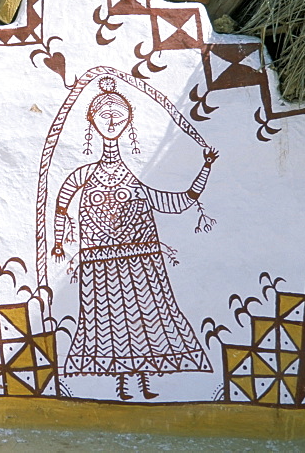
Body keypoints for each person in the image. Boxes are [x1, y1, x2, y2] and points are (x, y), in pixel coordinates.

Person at [51, 76, 216, 400]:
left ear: (128, 121)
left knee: (146, 320)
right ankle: (123, 384)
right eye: (104, 113)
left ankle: (141, 383)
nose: (111, 119)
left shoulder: (137, 182)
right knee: (108, 323)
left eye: (118, 114)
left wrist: (206, 167)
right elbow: (61, 204)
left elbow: (179, 201)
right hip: (101, 266)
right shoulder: (83, 175)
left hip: (142, 265)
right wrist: (59, 241)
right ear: (92, 120)